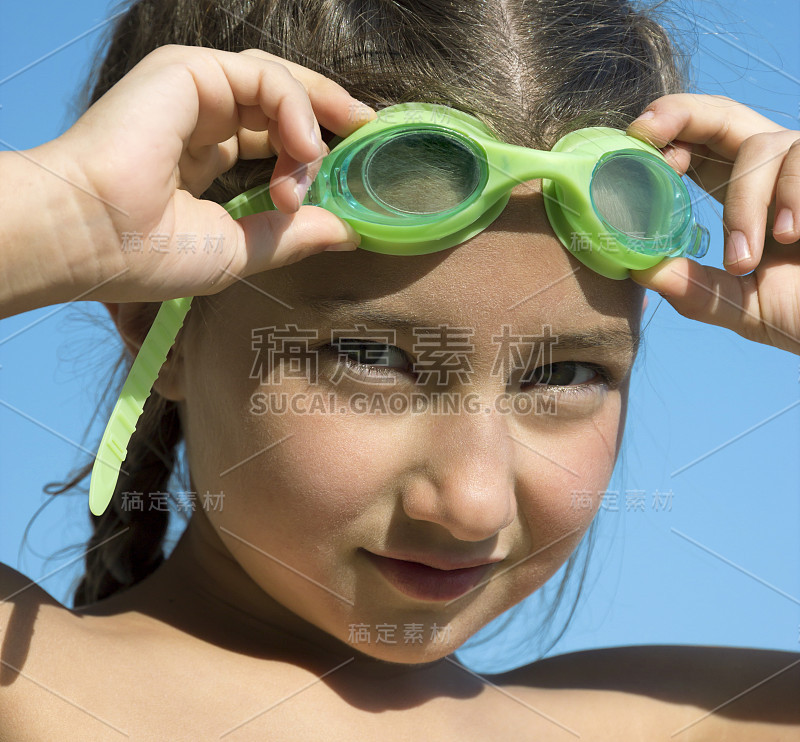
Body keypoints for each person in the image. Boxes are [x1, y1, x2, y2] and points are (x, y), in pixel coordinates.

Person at [1, 0, 798, 738]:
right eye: (372, 359)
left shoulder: (693, 720)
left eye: (564, 376)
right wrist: (59, 219)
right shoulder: (29, 685)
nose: (472, 503)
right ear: (156, 327)